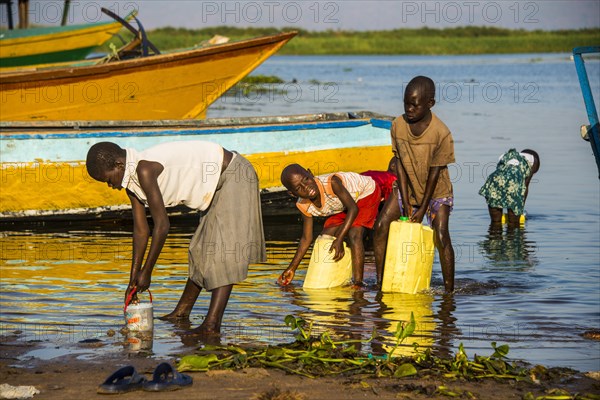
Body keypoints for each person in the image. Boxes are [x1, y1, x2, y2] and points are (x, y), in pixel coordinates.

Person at [85, 141, 266, 335]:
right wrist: (132, 282)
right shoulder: (132, 185)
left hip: (234, 176)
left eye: (108, 179)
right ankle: (181, 312)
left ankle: (212, 325)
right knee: (199, 251)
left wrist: (147, 272)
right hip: (215, 188)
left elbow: (162, 225)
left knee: (223, 253)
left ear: (120, 165)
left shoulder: (144, 170)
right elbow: (141, 231)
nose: (110, 186)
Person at [373, 75, 456, 292]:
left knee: (440, 235)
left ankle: (449, 292)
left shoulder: (441, 133)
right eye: (406, 103)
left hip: (436, 191)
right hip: (407, 188)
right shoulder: (398, 125)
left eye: (414, 105)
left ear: (430, 104)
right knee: (381, 226)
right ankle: (381, 284)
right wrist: (406, 200)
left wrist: (422, 208)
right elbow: (399, 163)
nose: (409, 109)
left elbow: (434, 173)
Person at [277, 164, 381, 287]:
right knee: (325, 238)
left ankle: (358, 283)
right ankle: (338, 276)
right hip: (343, 204)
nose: (306, 187)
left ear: (310, 174)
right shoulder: (303, 205)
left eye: (306, 180)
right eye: (299, 188)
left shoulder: (332, 183)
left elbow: (353, 209)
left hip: (366, 194)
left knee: (354, 234)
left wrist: (340, 239)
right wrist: (292, 268)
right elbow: (306, 238)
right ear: (292, 193)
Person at [479, 148, 540, 226]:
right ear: (536, 163)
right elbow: (524, 187)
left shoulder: (506, 156)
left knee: (495, 225)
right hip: (513, 184)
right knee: (513, 226)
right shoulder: (532, 161)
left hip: (493, 182)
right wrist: (520, 210)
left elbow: (503, 178)